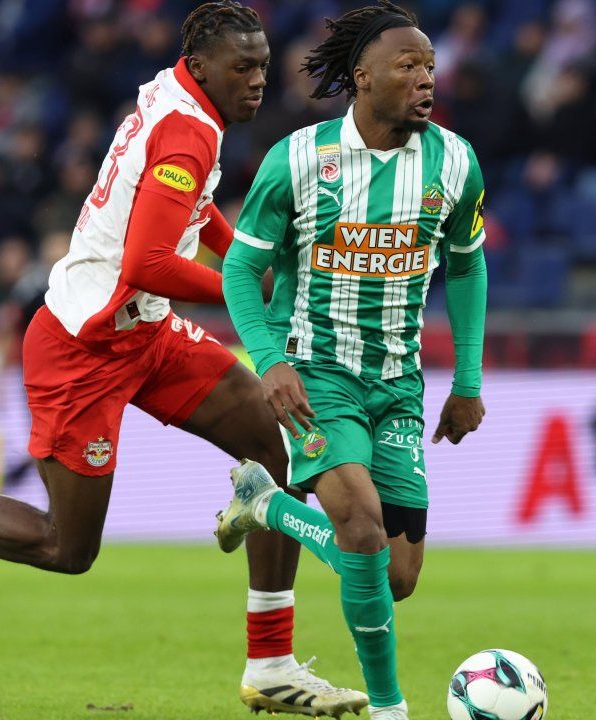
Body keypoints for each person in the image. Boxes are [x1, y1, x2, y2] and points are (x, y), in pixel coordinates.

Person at [0, 4, 367, 717]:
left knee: (277, 441)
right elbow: (150, 260)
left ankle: (271, 663)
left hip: (148, 335)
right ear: (202, 67)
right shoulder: (186, 129)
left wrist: (252, 259)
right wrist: (249, 288)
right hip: (83, 349)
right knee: (65, 547)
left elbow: (192, 219)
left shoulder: (183, 101)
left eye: (262, 65)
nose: (259, 80)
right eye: (244, 68)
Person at [216, 3, 488, 718]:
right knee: (359, 525)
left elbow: (466, 266)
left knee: (395, 576)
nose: (425, 78)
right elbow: (240, 272)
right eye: (408, 66)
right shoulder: (300, 160)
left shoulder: (455, 162)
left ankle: (266, 504)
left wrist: (466, 382)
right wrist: (269, 360)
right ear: (362, 78)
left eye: (429, 66)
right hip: (314, 375)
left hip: (397, 383)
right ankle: (393, 708)